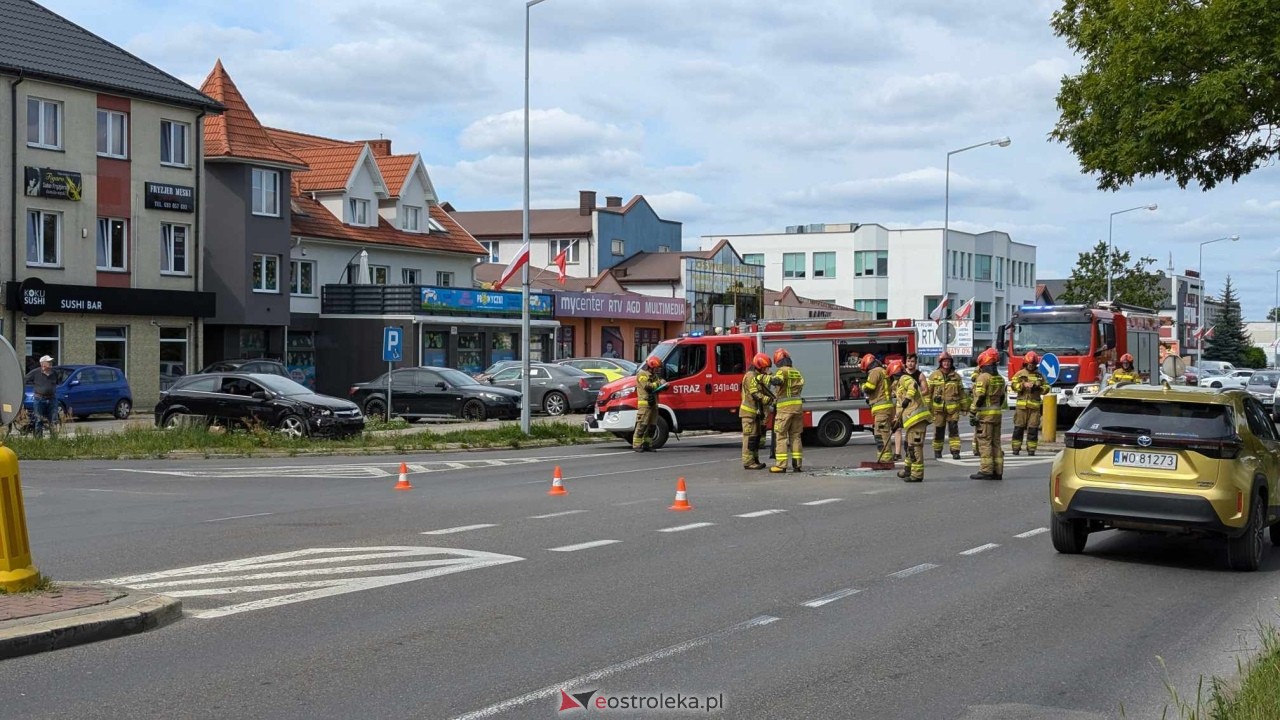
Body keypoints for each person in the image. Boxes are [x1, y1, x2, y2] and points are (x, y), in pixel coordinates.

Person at [969, 348, 1007, 480]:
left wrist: (973, 412)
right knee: (996, 443)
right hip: (997, 415)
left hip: (985, 417)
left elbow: (979, 397)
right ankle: (998, 471)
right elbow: (1002, 398)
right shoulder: (1000, 378)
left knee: (985, 442)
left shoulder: (983, 377)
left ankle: (986, 470)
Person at [890, 359, 931, 482]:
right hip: (911, 422)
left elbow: (913, 386)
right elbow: (899, 406)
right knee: (909, 446)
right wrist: (896, 421)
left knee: (915, 447)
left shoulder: (904, 378)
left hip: (917, 419)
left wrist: (907, 398)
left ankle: (917, 474)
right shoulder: (898, 387)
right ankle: (908, 470)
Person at [769, 348, 805, 473]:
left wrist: (769, 378)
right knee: (795, 436)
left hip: (784, 409)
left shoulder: (781, 371)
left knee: (781, 436)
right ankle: (797, 464)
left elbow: (778, 381)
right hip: (797, 408)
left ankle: (781, 465)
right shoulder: (797, 372)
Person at [927, 352, 968, 459]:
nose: (946, 363)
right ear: (940, 363)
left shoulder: (956, 377)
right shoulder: (934, 376)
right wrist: (928, 409)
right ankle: (937, 451)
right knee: (939, 431)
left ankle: (955, 451)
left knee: (954, 431)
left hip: (953, 410)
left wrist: (965, 407)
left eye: (948, 361)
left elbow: (962, 393)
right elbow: (928, 394)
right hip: (938, 410)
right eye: (944, 361)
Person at [1011, 351, 1050, 456]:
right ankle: (1016, 448)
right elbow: (1013, 386)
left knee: (1033, 429)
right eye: (1029, 364)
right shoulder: (1019, 374)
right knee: (1018, 428)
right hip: (1021, 408)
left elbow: (1047, 388)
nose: (1031, 366)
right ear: (1025, 363)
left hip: (1034, 408)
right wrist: (1023, 385)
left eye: (1033, 364)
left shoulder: (1040, 375)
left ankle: (1031, 449)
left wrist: (1038, 387)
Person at [739, 352, 774, 469]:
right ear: (759, 366)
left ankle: (755, 460)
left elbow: (765, 388)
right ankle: (748, 462)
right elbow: (756, 394)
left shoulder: (756, 375)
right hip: (749, 413)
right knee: (750, 438)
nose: (767, 369)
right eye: (766, 367)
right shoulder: (750, 376)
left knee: (756, 438)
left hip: (755, 414)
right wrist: (770, 401)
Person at [860, 353, 895, 465]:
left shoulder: (875, 372)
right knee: (881, 432)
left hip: (881, 408)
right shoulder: (882, 370)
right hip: (885, 407)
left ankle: (886, 459)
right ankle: (884, 457)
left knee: (881, 433)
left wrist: (862, 387)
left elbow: (870, 387)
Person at [632, 355, 664, 452]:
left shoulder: (654, 376)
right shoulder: (642, 374)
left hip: (653, 404)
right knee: (642, 425)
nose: (658, 370)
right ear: (651, 366)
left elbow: (657, 385)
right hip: (645, 405)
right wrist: (659, 383)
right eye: (656, 368)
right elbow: (647, 386)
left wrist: (664, 385)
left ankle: (647, 444)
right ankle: (637, 445)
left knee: (652, 426)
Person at [30, 355, 57, 439]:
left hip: (52, 399)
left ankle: (54, 439)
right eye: (48, 362)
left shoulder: (54, 373)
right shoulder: (35, 372)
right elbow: (25, 380)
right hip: (39, 399)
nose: (51, 363)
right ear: (43, 364)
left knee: (53, 420)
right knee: (39, 420)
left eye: (51, 362)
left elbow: (57, 382)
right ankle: (39, 440)